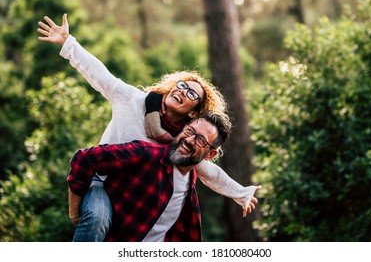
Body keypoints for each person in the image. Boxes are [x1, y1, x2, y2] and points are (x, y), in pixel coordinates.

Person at [37, 14, 260, 242]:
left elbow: (208, 172)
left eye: (191, 93)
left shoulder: (184, 139)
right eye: (181, 85)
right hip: (102, 180)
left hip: (131, 195)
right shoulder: (133, 100)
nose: (182, 91)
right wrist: (68, 42)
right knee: (98, 217)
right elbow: (99, 74)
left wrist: (241, 193)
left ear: (194, 112)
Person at [68, 113, 230, 241]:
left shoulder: (190, 182)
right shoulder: (146, 154)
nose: (188, 140)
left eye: (200, 139)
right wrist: (74, 212)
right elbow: (84, 158)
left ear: (210, 154)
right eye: (189, 131)